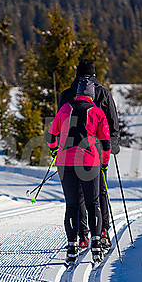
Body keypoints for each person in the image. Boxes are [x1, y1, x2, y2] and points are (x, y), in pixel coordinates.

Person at [46, 78, 111, 264]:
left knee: (72, 205)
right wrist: (104, 164)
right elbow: (106, 143)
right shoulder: (97, 112)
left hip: (65, 163)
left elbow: (51, 135)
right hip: (89, 162)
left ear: (77, 94)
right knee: (93, 204)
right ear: (92, 95)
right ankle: (96, 246)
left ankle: (72, 247)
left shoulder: (65, 109)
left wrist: (53, 148)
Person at [57, 57, 120, 250]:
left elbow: (60, 124)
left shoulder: (67, 95)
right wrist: (113, 147)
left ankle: (82, 235)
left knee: (77, 197)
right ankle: (102, 232)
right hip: (98, 151)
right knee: (99, 192)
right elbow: (112, 122)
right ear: (94, 75)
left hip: (70, 152)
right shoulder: (104, 94)